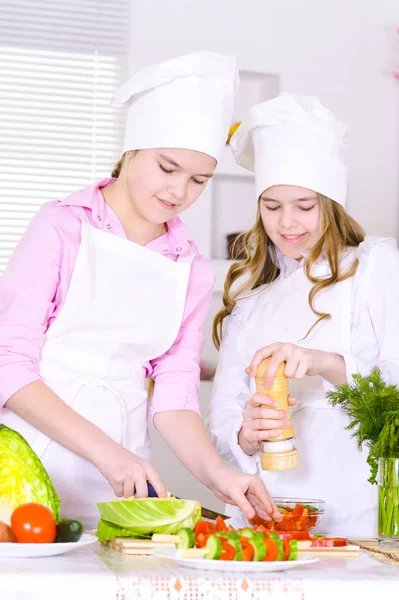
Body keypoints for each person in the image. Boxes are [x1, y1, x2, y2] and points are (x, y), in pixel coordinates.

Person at [0, 51, 280, 529]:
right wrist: (109, 455)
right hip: (25, 471)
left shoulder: (189, 267)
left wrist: (219, 475)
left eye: (198, 179)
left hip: (125, 482)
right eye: (167, 167)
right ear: (132, 150)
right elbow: (9, 364)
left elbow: (174, 399)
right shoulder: (62, 227)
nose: (179, 192)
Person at [207, 92, 399, 537]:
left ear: (331, 203)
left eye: (305, 206)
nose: (287, 223)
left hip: (359, 509)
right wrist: (246, 434)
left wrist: (325, 363)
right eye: (271, 206)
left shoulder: (374, 265)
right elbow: (221, 418)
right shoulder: (251, 299)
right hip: (271, 512)